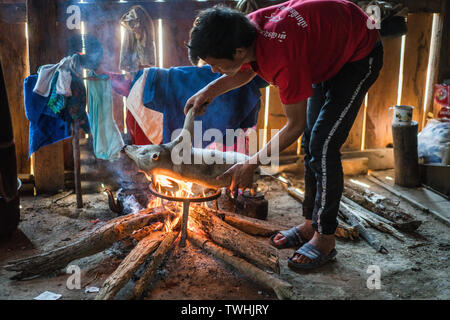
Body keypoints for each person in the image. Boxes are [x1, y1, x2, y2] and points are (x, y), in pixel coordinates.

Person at [184, 0, 383, 271]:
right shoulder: (244, 32)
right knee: (313, 144)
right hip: (325, 48)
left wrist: (251, 162)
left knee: (323, 145)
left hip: (358, 52)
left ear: (238, 51)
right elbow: (245, 69)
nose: (213, 70)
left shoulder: (281, 55)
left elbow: (294, 124)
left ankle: (325, 238)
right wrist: (208, 91)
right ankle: (311, 223)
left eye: (215, 64)